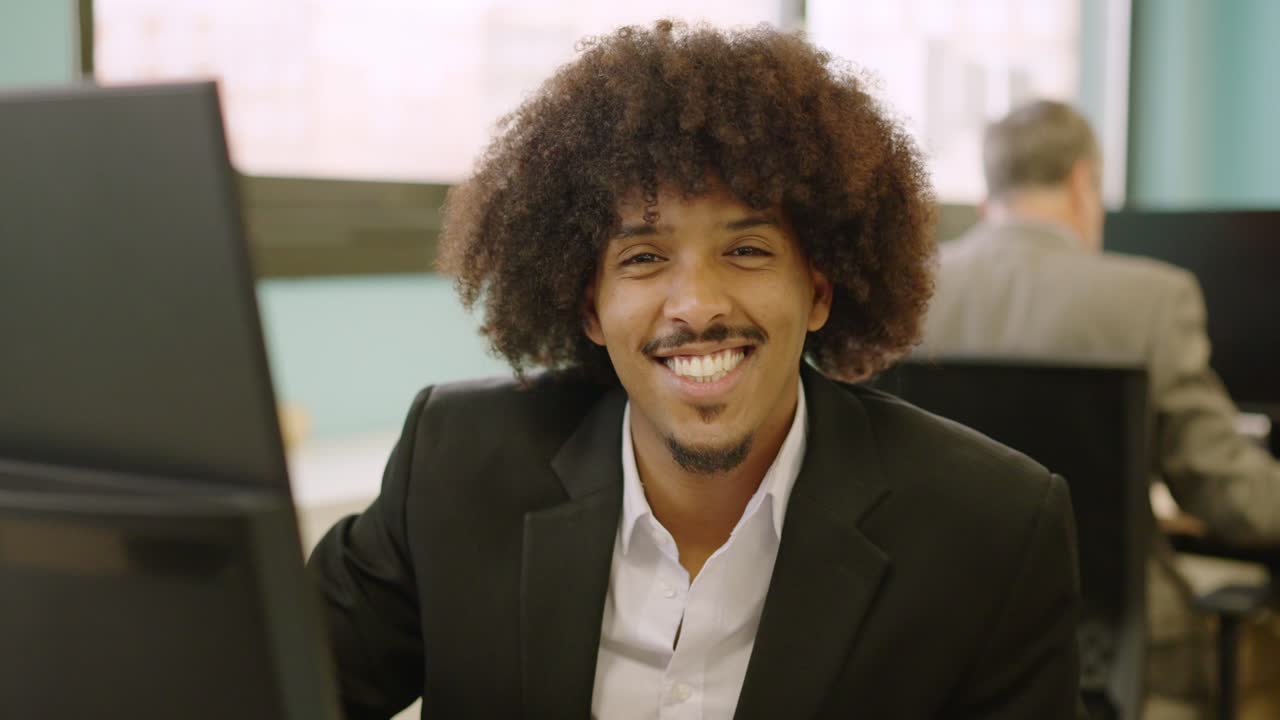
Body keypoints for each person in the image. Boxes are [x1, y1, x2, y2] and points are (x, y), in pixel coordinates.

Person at [308, 22, 1084, 719]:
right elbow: (270, 684)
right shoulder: (454, 465)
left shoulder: (993, 529)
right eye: (644, 258)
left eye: (746, 250)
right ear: (590, 309)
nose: (699, 305)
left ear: (818, 290)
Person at [918, 99, 1280, 716]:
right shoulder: (1152, 299)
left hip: (942, 641)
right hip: (1122, 662)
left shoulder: (912, 292)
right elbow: (1224, 490)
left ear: (992, 187)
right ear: (1084, 182)